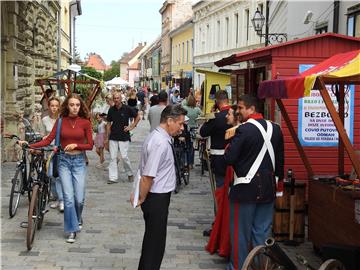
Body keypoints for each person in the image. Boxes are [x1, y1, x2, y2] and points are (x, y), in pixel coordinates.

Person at [224, 95, 284, 269]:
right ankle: (260, 266)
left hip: (244, 189)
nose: (237, 111)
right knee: (261, 233)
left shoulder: (243, 129)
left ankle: (238, 267)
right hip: (268, 189)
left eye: (241, 108)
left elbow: (230, 157)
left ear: (251, 109)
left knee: (240, 235)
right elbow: (280, 162)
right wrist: (278, 187)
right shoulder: (276, 129)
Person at [26, 93, 94, 243]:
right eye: (72, 105)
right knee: (68, 198)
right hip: (63, 161)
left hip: (78, 162)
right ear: (67, 106)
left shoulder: (85, 123)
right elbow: (49, 139)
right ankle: (72, 229)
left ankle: (77, 217)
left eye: (77, 105)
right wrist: (29, 145)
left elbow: (90, 145)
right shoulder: (61, 121)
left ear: (80, 106)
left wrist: (77, 145)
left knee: (79, 199)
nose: (75, 108)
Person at [132, 104, 187, 270]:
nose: (182, 127)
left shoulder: (160, 137)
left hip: (157, 196)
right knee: (155, 244)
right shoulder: (160, 142)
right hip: (156, 197)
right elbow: (148, 175)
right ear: (170, 121)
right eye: (180, 123)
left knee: (154, 241)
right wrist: (142, 196)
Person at [206, 104, 242, 258]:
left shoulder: (240, 133)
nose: (227, 115)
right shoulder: (231, 130)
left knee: (225, 206)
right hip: (228, 173)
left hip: (234, 176)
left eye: (230, 114)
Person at [199, 90, 232, 236]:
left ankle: (218, 224)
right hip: (235, 162)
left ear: (217, 102)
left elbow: (202, 132)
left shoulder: (216, 117)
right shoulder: (235, 116)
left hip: (219, 161)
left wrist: (210, 116)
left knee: (218, 192)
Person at [104, 91, 141, 184]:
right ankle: (112, 177)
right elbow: (108, 123)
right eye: (115, 98)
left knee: (124, 157)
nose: (116, 100)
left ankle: (129, 173)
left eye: (118, 98)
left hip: (124, 136)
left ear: (121, 99)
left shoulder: (127, 108)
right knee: (112, 157)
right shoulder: (111, 110)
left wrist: (132, 126)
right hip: (113, 136)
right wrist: (107, 137)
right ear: (113, 99)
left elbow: (138, 116)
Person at [182, 95, 201, 168]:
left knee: (185, 146)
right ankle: (190, 164)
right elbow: (203, 115)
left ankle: (185, 162)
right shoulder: (197, 109)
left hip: (185, 129)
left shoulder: (184, 108)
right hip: (193, 130)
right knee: (191, 147)